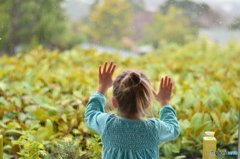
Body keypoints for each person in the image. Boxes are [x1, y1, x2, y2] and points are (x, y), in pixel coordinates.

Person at [84, 61, 179, 159]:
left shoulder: (107, 124)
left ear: (114, 102)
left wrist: (102, 87)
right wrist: (165, 102)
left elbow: (91, 114)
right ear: (147, 104)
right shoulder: (154, 128)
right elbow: (173, 129)